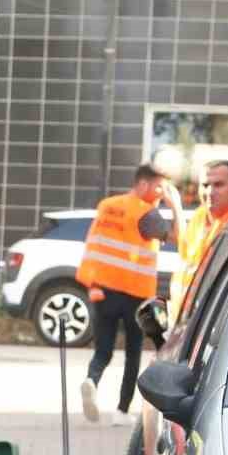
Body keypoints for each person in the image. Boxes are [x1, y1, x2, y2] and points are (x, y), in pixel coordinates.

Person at [75, 163, 178, 426]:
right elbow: (178, 238)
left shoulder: (107, 205)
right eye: (158, 187)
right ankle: (122, 411)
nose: (159, 193)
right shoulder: (148, 214)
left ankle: (92, 380)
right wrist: (173, 204)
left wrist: (92, 284)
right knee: (133, 354)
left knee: (103, 351)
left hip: (104, 290)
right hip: (136, 294)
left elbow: (93, 243)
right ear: (143, 184)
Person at [169, 160, 228, 327]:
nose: (210, 191)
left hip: (215, 327)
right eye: (205, 185)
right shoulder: (199, 216)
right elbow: (186, 259)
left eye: (218, 185)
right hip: (185, 324)